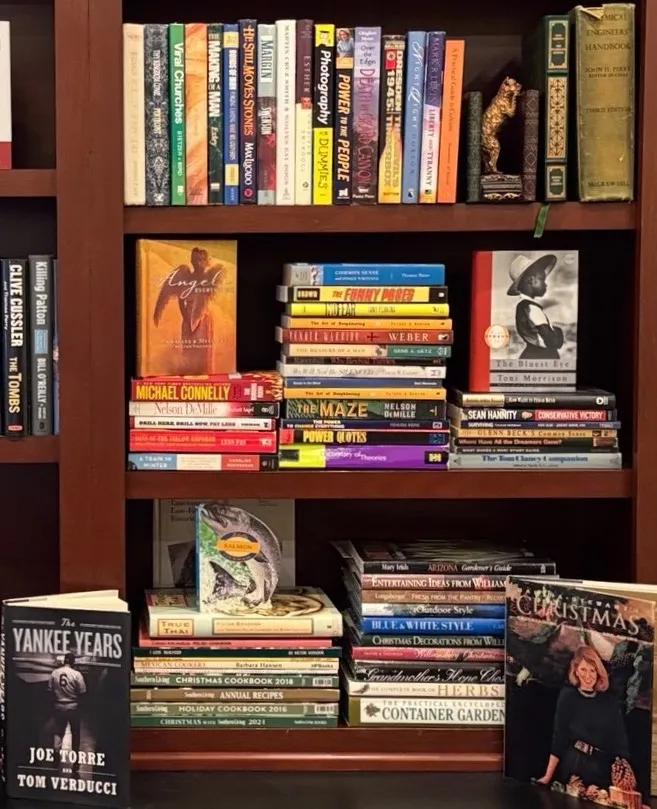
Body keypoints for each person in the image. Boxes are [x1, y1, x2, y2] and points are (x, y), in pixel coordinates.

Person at [536, 645, 636, 793]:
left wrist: (625, 780)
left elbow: (620, 741)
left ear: (598, 672)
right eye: (583, 669)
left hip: (603, 767)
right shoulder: (568, 696)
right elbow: (559, 738)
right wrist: (547, 776)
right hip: (575, 763)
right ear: (575, 670)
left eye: (592, 670)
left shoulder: (610, 702)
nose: (588, 675)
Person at [153, 246, 225, 374]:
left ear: (206, 261)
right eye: (195, 260)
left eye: (200, 260)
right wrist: (186, 318)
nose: (197, 263)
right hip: (188, 315)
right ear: (191, 260)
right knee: (190, 347)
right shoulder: (185, 276)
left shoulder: (209, 278)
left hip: (205, 318)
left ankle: (205, 376)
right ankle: (189, 374)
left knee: (203, 348)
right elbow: (181, 301)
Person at [506, 253, 564, 360]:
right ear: (530, 280)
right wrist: (558, 331)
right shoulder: (531, 308)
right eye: (542, 279)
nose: (545, 284)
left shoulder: (522, 306)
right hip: (543, 357)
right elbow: (553, 342)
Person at [48, 652, 87, 768]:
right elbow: (82, 693)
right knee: (75, 734)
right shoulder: (77, 674)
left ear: (64, 660)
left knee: (58, 732)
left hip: (58, 706)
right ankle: (75, 761)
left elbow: (50, 691)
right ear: (73, 662)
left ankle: (55, 756)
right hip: (73, 707)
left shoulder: (55, 673)